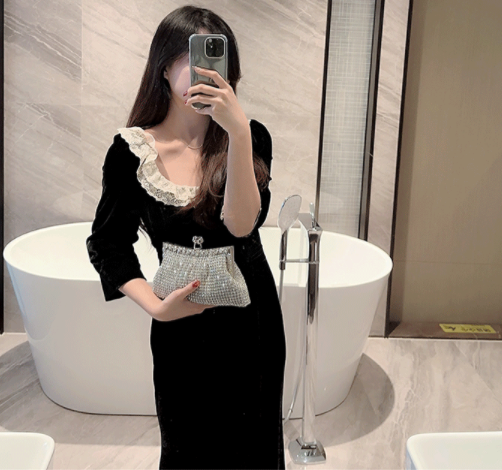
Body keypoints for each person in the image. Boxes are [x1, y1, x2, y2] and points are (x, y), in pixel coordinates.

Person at [85, 5, 287, 470]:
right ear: (163, 67)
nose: (204, 72)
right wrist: (156, 307)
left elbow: (241, 225)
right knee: (185, 445)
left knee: (253, 446)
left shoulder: (250, 136)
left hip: (251, 321)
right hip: (178, 322)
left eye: (216, 59)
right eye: (191, 58)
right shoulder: (132, 152)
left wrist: (237, 134)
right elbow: (107, 243)